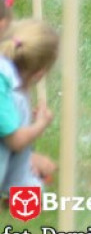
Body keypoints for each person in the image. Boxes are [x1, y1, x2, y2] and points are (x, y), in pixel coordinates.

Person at [0, 19, 59, 195]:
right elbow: (16, 141)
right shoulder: (13, 97)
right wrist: (40, 124)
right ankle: (17, 187)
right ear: (39, 73)